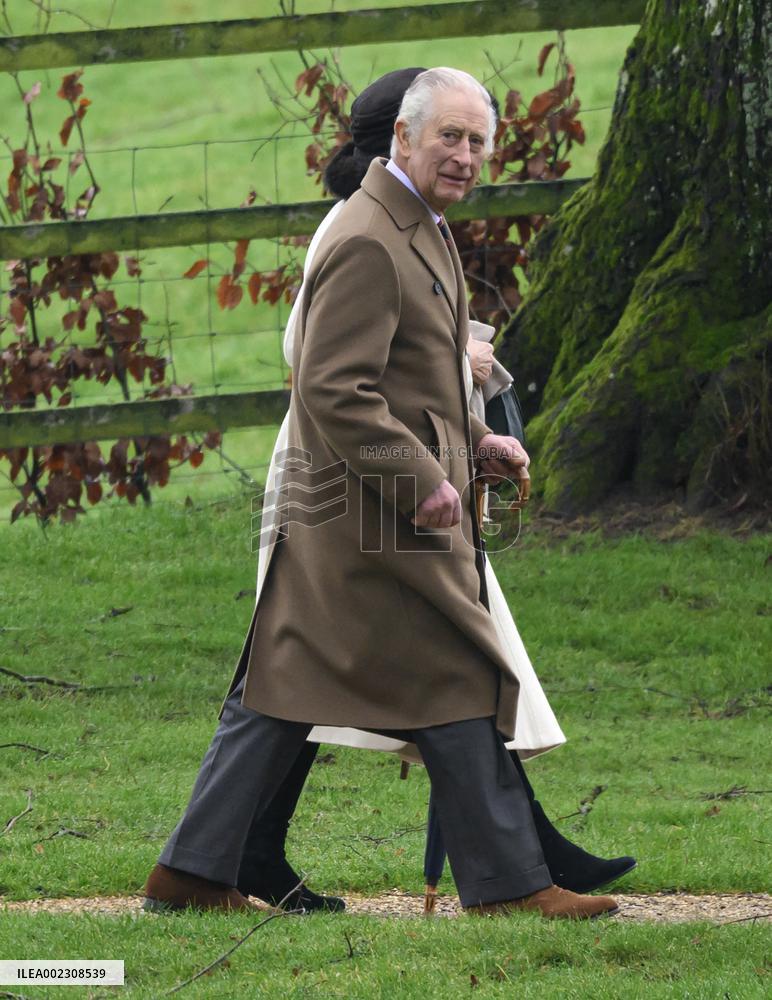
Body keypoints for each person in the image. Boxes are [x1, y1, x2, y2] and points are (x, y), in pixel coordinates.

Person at [144, 67, 619, 920]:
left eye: (479, 141)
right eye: (450, 136)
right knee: (458, 670)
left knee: (285, 688)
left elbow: (420, 379)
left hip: (372, 516)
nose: (466, 155)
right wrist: (424, 480)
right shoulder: (368, 236)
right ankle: (510, 888)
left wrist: (481, 441)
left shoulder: (420, 228)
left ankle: (190, 873)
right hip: (367, 520)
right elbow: (333, 389)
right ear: (402, 137)